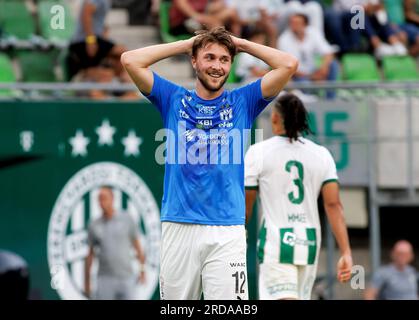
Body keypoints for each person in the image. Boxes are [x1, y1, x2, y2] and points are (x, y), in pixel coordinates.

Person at [121, 26, 298, 300]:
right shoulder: (173, 98)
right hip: (179, 225)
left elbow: (288, 64)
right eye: (209, 57)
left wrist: (240, 44)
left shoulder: (244, 101)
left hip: (227, 230)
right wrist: (187, 45)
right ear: (194, 61)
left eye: (224, 59)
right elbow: (130, 60)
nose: (217, 66)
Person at [244, 93, 353, 300]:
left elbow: (246, 204)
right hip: (309, 244)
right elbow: (333, 205)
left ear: (275, 118)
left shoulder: (258, 152)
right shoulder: (322, 154)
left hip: (275, 244)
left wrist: (238, 238)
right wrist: (346, 251)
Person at [84, 186, 146, 300]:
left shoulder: (127, 219)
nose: (102, 202)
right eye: (99, 199)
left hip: (127, 277)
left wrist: (142, 270)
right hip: (104, 279)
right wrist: (87, 283)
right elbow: (89, 255)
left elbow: (138, 247)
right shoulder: (94, 225)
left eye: (104, 198)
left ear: (112, 199)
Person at [66, 0, 137, 99]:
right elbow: (86, 13)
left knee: (116, 63)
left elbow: (96, 20)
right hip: (84, 41)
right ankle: (122, 80)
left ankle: (122, 82)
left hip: (91, 40)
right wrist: (90, 40)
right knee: (123, 53)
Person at [278, 13, 339, 99]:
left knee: (333, 64)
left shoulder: (313, 32)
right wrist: (311, 77)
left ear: (305, 25)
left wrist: (323, 70)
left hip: (313, 72)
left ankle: (331, 99)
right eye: (292, 23)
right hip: (297, 76)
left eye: (297, 23)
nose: (293, 25)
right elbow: (287, 66)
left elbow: (328, 53)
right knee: (305, 84)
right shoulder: (284, 39)